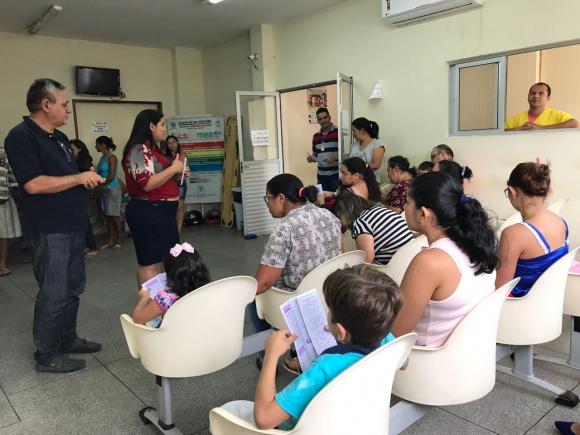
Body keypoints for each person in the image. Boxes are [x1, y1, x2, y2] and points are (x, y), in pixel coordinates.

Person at [4, 78, 105, 373]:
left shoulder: (59, 137)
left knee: (73, 288)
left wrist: (84, 177)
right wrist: (78, 178)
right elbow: (33, 184)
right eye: (63, 104)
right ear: (46, 105)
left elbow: (65, 177)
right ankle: (47, 354)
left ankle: (67, 338)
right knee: (54, 292)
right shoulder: (21, 137)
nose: (67, 110)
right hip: (50, 230)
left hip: (73, 225)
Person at [250, 264, 402, 430]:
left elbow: (264, 419)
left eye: (330, 311)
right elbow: (404, 361)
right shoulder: (388, 340)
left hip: (297, 430)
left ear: (341, 332)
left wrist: (271, 354)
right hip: (352, 424)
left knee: (234, 409)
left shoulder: (324, 368)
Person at [391, 172, 498, 347]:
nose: (403, 207)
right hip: (469, 353)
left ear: (423, 214)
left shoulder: (430, 262)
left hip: (424, 357)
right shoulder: (477, 245)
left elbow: (395, 333)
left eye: (407, 202)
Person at [250, 174, 342, 365]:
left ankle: (267, 356)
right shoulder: (329, 216)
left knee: (253, 297)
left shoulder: (284, 229)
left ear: (281, 198)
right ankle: (297, 349)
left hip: (300, 301)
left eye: (268, 198)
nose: (267, 205)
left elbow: (264, 283)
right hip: (331, 294)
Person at [122, 109, 188, 286]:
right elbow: (146, 183)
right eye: (162, 124)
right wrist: (173, 169)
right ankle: (150, 302)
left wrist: (177, 173)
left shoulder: (153, 149)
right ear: (151, 126)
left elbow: (159, 177)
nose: (165, 129)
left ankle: (164, 298)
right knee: (150, 263)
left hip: (162, 213)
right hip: (149, 212)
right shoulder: (138, 149)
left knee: (167, 260)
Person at [495, 162, 568, 297]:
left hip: (519, 305)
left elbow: (498, 290)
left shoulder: (512, 235)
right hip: (550, 299)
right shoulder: (561, 222)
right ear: (547, 190)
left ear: (512, 192)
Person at [132, 242, 210, 327]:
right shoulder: (207, 289)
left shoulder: (166, 298)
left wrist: (143, 299)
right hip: (200, 328)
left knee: (149, 322)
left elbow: (136, 318)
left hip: (176, 332)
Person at [335, 191, 413, 265]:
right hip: (410, 254)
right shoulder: (379, 210)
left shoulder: (360, 223)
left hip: (393, 265)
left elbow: (367, 259)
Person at [505, 82, 579, 131]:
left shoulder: (558, 115)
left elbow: (575, 124)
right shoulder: (515, 119)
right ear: (528, 97)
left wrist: (542, 128)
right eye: (533, 93)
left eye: (541, 94)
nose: (536, 96)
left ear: (548, 98)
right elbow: (502, 132)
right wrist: (519, 130)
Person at [69, 139, 98, 259]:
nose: (71, 151)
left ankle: (92, 246)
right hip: (74, 195)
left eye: (73, 149)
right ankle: (85, 246)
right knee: (79, 221)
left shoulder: (84, 162)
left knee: (84, 221)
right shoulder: (72, 160)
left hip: (81, 194)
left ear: (79, 149)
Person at [95, 136, 123, 249]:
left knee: (115, 215)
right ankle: (111, 239)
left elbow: (111, 176)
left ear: (103, 145)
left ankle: (119, 240)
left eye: (97, 144)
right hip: (105, 190)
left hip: (113, 189)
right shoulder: (102, 157)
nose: (95, 146)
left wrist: (100, 183)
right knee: (108, 216)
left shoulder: (112, 157)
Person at [0, 147, 22, 276]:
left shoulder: (3, 153)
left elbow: (12, 175)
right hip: (3, 196)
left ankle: (2, 264)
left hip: (2, 197)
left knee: (4, 233)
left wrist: (11, 186)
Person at [306, 108, 339, 192]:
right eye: (320, 119)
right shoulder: (315, 136)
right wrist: (311, 159)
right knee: (321, 198)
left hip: (336, 175)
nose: (323, 121)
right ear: (318, 121)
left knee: (337, 198)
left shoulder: (338, 132)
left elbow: (346, 154)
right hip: (321, 177)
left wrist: (336, 158)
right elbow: (315, 154)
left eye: (325, 117)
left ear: (329, 117)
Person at [165, 135, 187, 234]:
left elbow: (184, 169)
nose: (172, 145)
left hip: (180, 183)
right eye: (169, 143)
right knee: (171, 207)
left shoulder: (182, 154)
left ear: (177, 143)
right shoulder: (165, 156)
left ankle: (178, 230)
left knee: (180, 206)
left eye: (173, 142)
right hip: (169, 184)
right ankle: (171, 229)